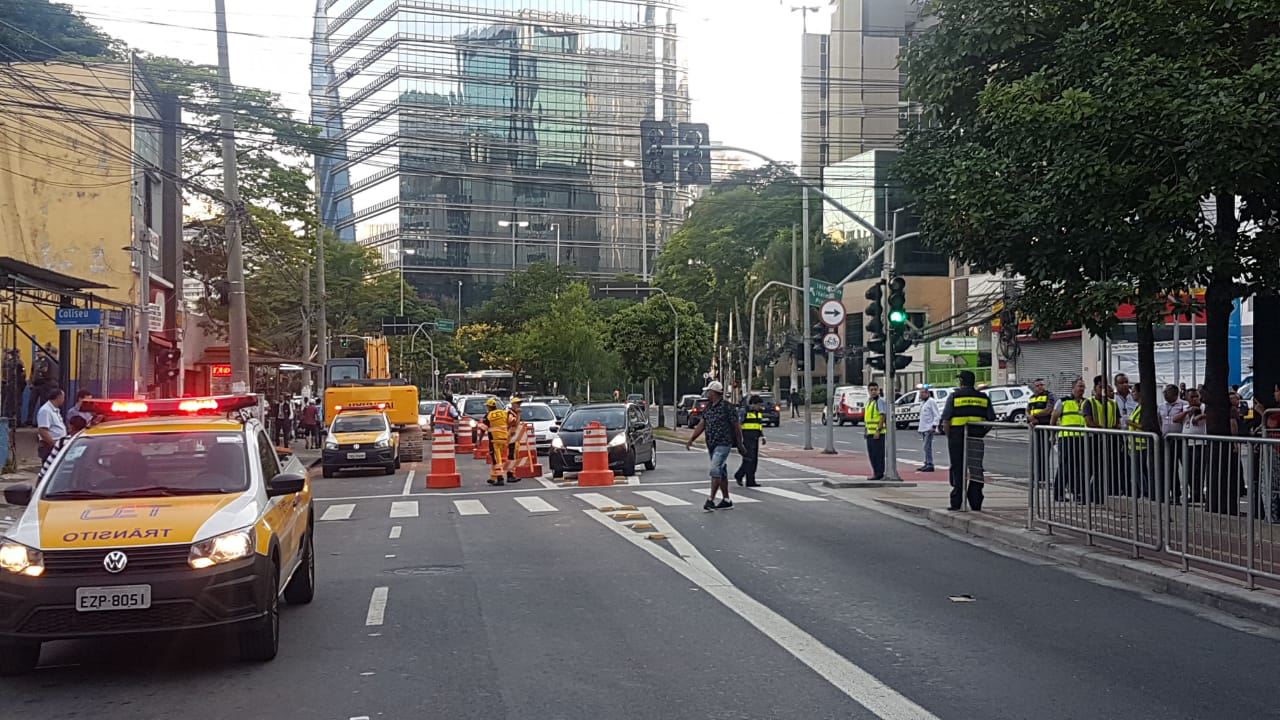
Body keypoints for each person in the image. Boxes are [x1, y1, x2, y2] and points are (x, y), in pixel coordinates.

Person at [685, 381, 744, 511]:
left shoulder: (728, 407)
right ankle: (726, 499)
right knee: (721, 471)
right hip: (711, 444)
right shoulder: (709, 407)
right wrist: (692, 439)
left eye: (708, 392)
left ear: (714, 392)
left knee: (715, 469)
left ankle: (710, 499)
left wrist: (740, 443)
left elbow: (736, 427)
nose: (707, 394)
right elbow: (702, 424)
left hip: (723, 443)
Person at [940, 371, 995, 511]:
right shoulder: (983, 398)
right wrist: (981, 433)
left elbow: (946, 420)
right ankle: (976, 501)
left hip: (956, 438)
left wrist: (949, 436)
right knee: (976, 470)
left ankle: (957, 502)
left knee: (958, 469)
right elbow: (991, 419)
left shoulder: (954, 396)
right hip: (976, 438)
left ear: (961, 382)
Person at [1052, 379, 1089, 503]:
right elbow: (1054, 417)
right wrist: (1052, 434)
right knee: (1066, 466)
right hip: (1067, 437)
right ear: (1073, 387)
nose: (1082, 389)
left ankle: (1078, 493)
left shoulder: (1085, 402)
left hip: (1082, 438)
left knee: (1080, 467)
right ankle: (1059, 493)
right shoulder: (1063, 401)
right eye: (1080, 386)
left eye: (1083, 387)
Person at [37, 414, 87, 481]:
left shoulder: (62, 442)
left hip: (61, 480)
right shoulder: (88, 443)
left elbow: (49, 463)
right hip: (82, 480)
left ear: (71, 427)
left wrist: (40, 479)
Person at [734, 394, 766, 487]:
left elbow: (759, 425)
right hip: (746, 438)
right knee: (749, 459)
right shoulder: (744, 411)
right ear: (753, 404)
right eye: (758, 405)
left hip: (755, 438)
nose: (760, 407)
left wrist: (763, 436)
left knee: (754, 460)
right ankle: (739, 475)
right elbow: (739, 425)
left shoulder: (758, 413)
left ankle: (750, 480)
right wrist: (739, 439)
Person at [479, 397, 512, 486]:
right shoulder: (503, 413)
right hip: (505, 439)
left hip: (495, 441)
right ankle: (493, 478)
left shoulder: (488, 416)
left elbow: (483, 429)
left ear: (489, 407)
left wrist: (479, 441)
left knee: (497, 461)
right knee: (497, 459)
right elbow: (511, 422)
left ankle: (500, 478)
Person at [864, 382, 888, 481]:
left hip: (878, 433)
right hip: (870, 432)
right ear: (868, 391)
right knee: (872, 455)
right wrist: (866, 430)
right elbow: (867, 418)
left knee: (878, 454)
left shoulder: (880, 401)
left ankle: (879, 473)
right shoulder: (869, 402)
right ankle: (875, 472)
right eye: (871, 390)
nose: (873, 391)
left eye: (875, 389)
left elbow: (882, 416)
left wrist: (878, 430)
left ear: (878, 390)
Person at [36, 388, 67, 462]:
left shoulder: (54, 410)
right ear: (58, 397)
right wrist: (54, 445)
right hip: (49, 446)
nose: (64, 400)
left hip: (56, 444)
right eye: (63, 397)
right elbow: (43, 431)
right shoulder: (46, 410)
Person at [917, 386, 941, 472]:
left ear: (927, 393)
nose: (921, 395)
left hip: (929, 428)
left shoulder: (931, 402)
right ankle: (927, 462)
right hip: (924, 428)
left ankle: (930, 464)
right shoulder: (924, 403)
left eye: (922, 393)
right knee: (925, 447)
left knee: (927, 446)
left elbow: (937, 415)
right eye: (920, 393)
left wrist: (934, 426)